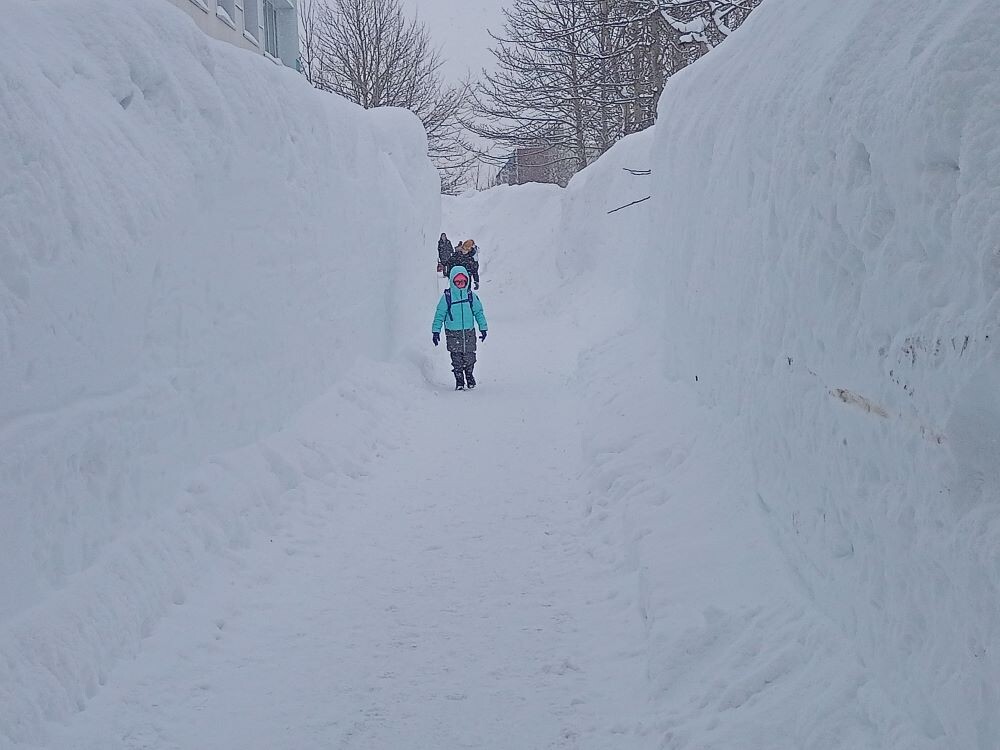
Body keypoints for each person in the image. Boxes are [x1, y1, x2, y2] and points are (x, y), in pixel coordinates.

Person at [432, 265, 488, 390]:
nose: (460, 284)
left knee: (470, 357)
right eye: (457, 282)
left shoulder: (471, 296)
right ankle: (459, 381)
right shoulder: (447, 297)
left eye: (463, 281)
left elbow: (478, 312)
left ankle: (469, 375)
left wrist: (483, 328)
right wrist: (436, 331)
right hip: (453, 333)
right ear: (452, 281)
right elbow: (439, 314)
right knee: (456, 359)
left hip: (468, 332)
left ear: (467, 281)